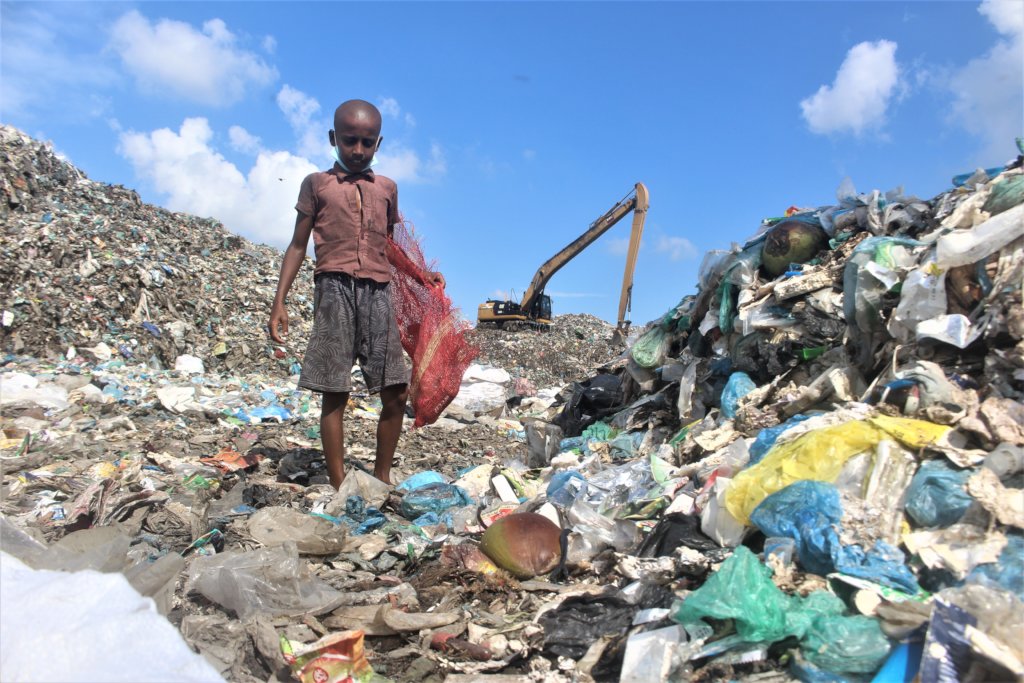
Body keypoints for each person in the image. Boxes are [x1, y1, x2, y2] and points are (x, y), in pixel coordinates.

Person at [268, 99, 443, 488]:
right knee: (335, 391)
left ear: (378, 143)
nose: (358, 151)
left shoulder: (387, 189)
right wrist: (279, 302)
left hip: (378, 293)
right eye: (350, 141)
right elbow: (298, 245)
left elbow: (390, 247)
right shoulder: (317, 184)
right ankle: (337, 483)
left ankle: (382, 476)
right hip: (333, 291)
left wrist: (421, 275)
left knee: (396, 393)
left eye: (367, 142)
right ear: (334, 138)